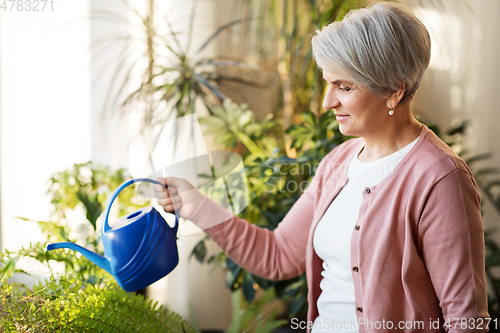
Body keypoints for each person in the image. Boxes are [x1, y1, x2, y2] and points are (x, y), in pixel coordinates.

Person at [155, 2, 489, 332]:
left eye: (344, 87)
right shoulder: (338, 162)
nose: (328, 102)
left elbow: (466, 319)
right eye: (328, 83)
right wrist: (196, 205)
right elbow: (278, 254)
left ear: (394, 90)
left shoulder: (440, 178)